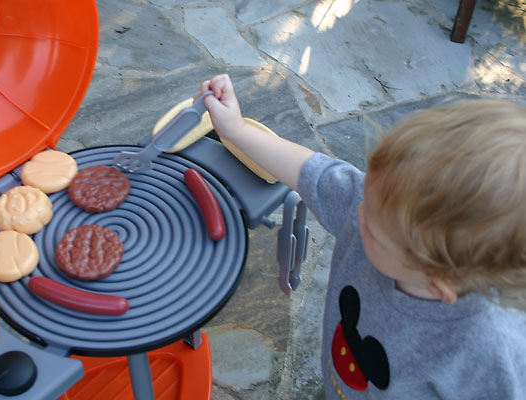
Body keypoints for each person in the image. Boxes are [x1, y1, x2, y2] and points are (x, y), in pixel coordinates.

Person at [196, 74, 526, 398]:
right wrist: (235, 129)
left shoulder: (489, 352)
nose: (357, 213)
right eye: (366, 194)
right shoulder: (382, 208)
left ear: (439, 283)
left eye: (374, 230)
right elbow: (308, 170)